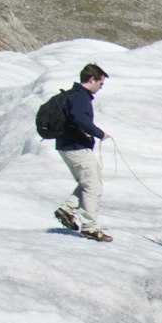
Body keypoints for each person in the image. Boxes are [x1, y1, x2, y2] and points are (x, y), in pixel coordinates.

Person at [36, 63, 111, 241]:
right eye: (101, 83)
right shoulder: (80, 97)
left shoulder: (74, 94)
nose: (101, 87)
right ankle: (90, 227)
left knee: (88, 183)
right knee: (93, 186)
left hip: (66, 145)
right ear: (92, 79)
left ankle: (68, 209)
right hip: (76, 146)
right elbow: (79, 118)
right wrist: (99, 133)